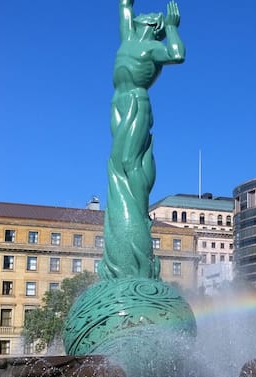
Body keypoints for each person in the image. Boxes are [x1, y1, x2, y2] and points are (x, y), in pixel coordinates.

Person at [99, 0, 185, 280]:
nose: (144, 12)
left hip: (137, 100)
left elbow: (177, 54)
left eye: (150, 14)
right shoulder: (128, 37)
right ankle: (125, 229)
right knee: (117, 164)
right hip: (117, 102)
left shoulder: (153, 47)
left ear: (152, 24)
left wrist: (171, 28)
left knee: (128, 161)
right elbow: (125, 5)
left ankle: (138, 213)